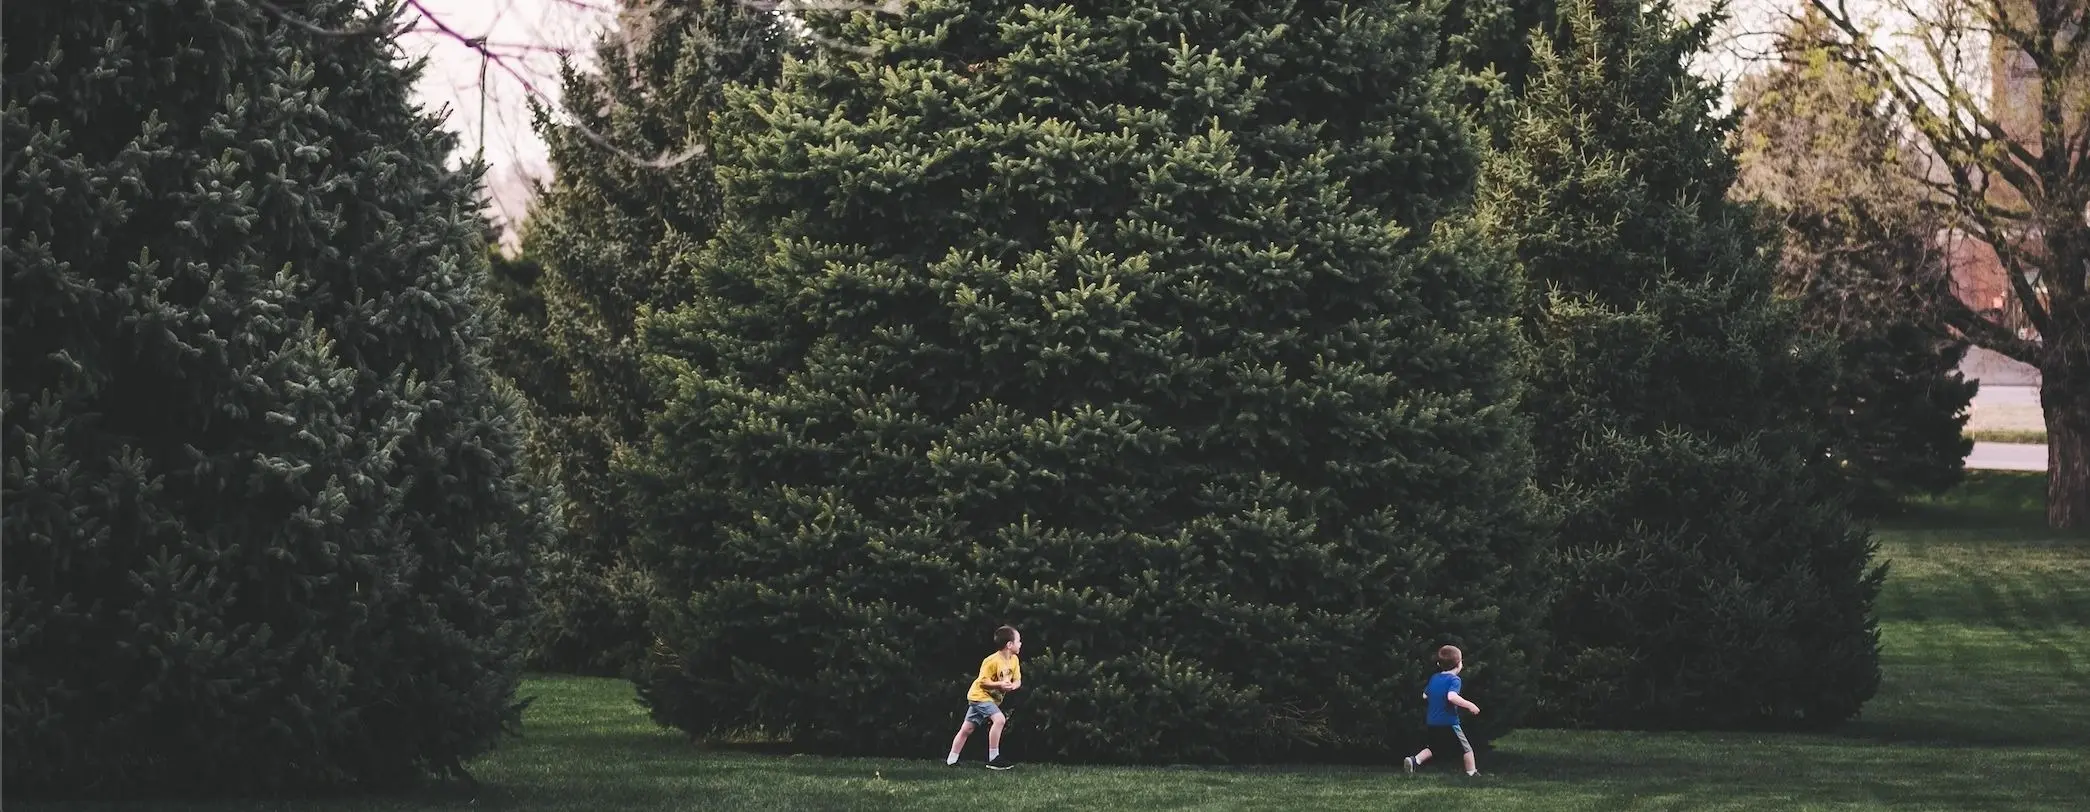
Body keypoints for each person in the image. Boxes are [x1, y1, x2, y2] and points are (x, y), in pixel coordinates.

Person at [946, 625, 1022, 770]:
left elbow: (1017, 680)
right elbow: (983, 681)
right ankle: (994, 758)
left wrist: (1013, 686)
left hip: (990, 699)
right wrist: (1000, 685)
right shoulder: (991, 661)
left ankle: (952, 760)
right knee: (999, 719)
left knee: (967, 729)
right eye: (1018, 641)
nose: (1020, 644)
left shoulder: (1014, 661)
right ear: (1009, 644)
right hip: (979, 696)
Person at [1403, 644, 1480, 777]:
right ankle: (1472, 773)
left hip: (1433, 721)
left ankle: (1414, 760)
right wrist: (1470, 705)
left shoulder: (1435, 678)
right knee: (1466, 749)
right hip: (1449, 721)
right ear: (1458, 664)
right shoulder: (1454, 680)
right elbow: (1452, 697)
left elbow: (1425, 695)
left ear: (1439, 664)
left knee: (1433, 747)